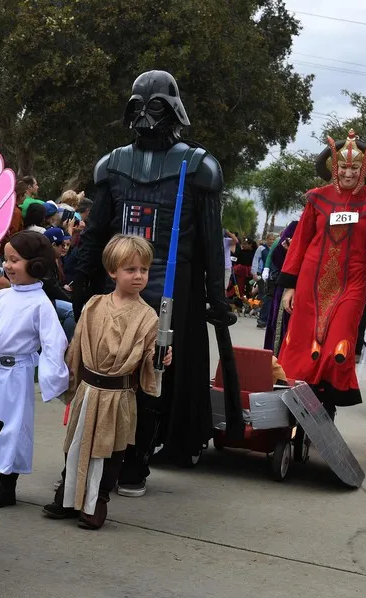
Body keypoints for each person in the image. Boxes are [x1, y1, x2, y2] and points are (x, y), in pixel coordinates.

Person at [72, 70, 240, 494]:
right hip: (118, 288)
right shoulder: (113, 164)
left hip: (170, 287)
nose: (146, 118)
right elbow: (96, 233)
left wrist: (216, 298)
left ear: (174, 110)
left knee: (156, 376)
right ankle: (107, 457)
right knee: (109, 373)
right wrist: (79, 278)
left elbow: (206, 240)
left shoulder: (199, 166)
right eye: (139, 108)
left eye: (156, 107)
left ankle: (138, 461)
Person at [43, 235, 171, 529]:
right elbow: (77, 347)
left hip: (119, 394)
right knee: (75, 444)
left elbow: (151, 354)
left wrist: (159, 359)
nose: (139, 276)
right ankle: (67, 496)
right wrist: (68, 380)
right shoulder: (94, 305)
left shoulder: (149, 317)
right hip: (89, 390)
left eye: (144, 270)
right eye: (131, 269)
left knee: (109, 449)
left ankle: (96, 502)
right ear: (113, 271)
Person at [278, 130, 366, 416]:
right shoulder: (317, 198)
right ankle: (295, 401)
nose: (348, 172)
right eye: (343, 166)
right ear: (334, 167)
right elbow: (300, 242)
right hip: (310, 282)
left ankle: (325, 406)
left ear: (364, 169)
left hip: (351, 284)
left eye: (355, 167)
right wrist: (289, 285)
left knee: (338, 345)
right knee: (303, 344)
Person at [0, 231, 69, 508]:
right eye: (6, 259)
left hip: (16, 375)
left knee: (12, 427)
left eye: (14, 260)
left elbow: (54, 341)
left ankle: (7, 483)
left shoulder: (40, 303)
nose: (7, 266)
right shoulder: (1, 297)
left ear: (36, 265)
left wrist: (52, 378)